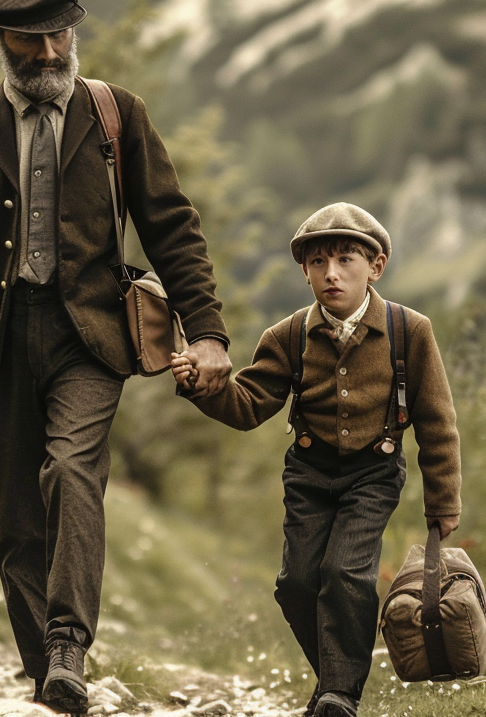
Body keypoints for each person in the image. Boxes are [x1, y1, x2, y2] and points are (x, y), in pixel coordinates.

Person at [0, 0, 233, 715]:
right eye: (30, 38)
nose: (48, 53)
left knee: (71, 474)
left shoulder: (118, 114)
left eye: (60, 34)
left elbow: (173, 227)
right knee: (13, 511)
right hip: (0, 347)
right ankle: (40, 668)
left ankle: (67, 644)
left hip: (92, 339)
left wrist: (206, 332)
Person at [171, 203, 461, 717]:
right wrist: (201, 387)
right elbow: (247, 406)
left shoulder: (409, 331)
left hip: (374, 474)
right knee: (297, 584)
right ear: (303, 270)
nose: (332, 273)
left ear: (376, 266)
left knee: (345, 574)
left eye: (346, 259)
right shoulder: (287, 337)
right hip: (308, 474)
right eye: (318, 262)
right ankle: (334, 681)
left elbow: (437, 422)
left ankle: (339, 695)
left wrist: (443, 502)